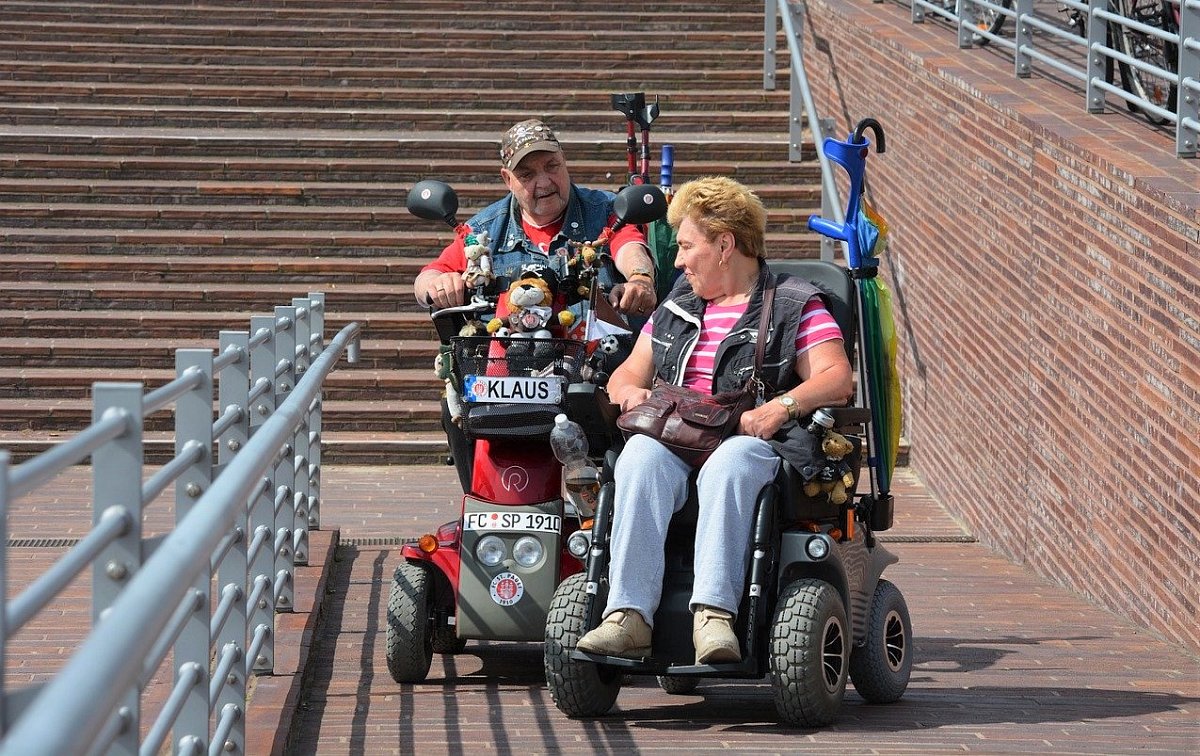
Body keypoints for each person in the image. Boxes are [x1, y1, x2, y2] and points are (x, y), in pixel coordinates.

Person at [575, 176, 855, 664]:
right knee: (638, 456)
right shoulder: (678, 302)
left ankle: (713, 616)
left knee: (732, 460)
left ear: (725, 245)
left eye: (686, 246)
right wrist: (628, 391)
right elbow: (626, 374)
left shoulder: (793, 301)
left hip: (750, 435)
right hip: (675, 433)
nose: (678, 261)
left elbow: (836, 378)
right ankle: (628, 616)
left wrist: (781, 407)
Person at [414, 119, 659, 491]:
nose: (543, 183)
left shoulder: (604, 211)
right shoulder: (485, 230)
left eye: (551, 167)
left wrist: (640, 280)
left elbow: (629, 246)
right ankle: (484, 504)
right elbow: (426, 279)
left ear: (566, 162)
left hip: (595, 376)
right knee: (457, 408)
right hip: (510, 378)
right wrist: (439, 283)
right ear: (506, 179)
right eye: (527, 174)